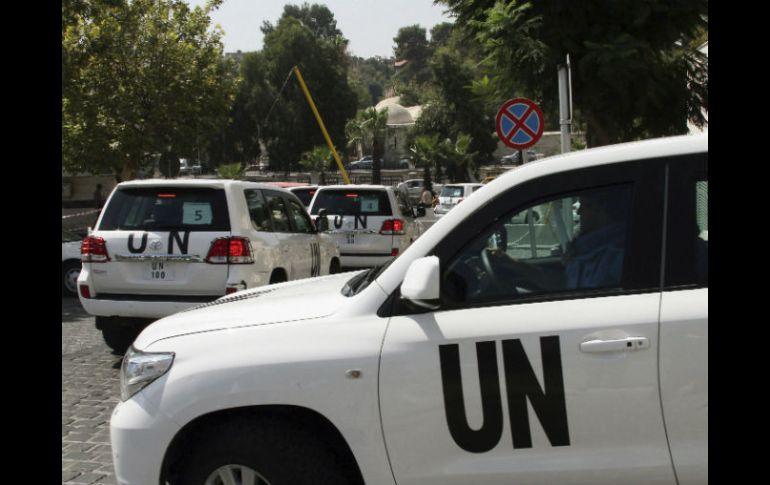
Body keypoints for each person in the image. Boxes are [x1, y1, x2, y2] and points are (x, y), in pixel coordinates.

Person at [487, 186, 630, 292]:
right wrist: (512, 264)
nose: (579, 211)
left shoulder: (615, 255)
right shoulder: (592, 250)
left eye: (584, 205)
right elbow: (565, 283)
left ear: (600, 209)